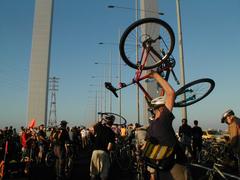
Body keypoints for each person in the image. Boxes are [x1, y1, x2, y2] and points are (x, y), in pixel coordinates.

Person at [145, 71, 189, 180]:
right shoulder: (163, 120)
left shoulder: (151, 128)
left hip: (160, 168)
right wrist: (156, 76)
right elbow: (171, 94)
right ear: (161, 108)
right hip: (175, 166)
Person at [89, 114, 115, 180]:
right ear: (112, 123)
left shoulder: (99, 127)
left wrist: (100, 121)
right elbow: (109, 147)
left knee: (93, 174)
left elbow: (91, 128)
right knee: (103, 175)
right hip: (104, 153)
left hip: (95, 152)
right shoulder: (112, 133)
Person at [221, 109, 240, 174]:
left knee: (230, 158)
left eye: (226, 120)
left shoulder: (233, 123)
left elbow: (234, 138)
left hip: (238, 147)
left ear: (229, 116)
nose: (226, 122)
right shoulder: (237, 121)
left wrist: (230, 146)